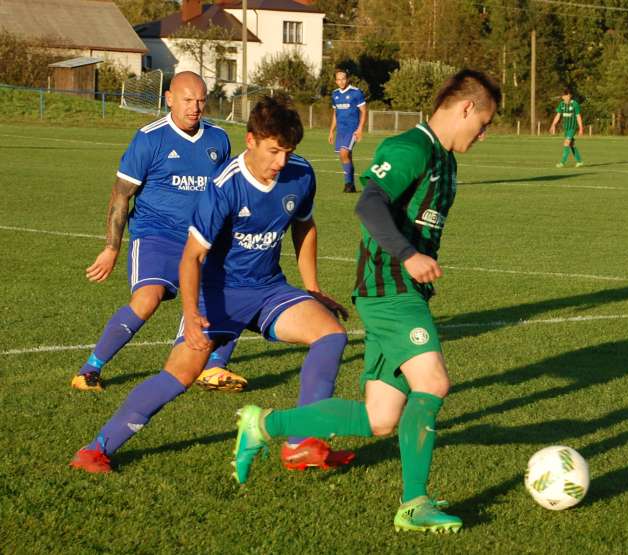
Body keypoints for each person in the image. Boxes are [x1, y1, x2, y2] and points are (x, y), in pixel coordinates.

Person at [232, 69, 501, 534]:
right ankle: (414, 504)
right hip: (390, 288)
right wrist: (409, 254)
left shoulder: (445, 159)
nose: (485, 133)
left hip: (401, 291)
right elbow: (369, 204)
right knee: (433, 384)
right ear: (466, 108)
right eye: (485, 122)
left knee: (380, 419)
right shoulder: (409, 148)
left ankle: (264, 425)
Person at [70, 96, 353, 473]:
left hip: (268, 288)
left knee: (331, 335)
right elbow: (191, 257)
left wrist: (313, 287)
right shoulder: (224, 187)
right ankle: (96, 449)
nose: (281, 162)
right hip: (217, 296)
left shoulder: (300, 174)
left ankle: (301, 440)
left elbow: (304, 224)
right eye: (273, 151)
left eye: (288, 151)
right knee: (178, 377)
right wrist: (190, 314)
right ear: (250, 140)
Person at [72, 71, 246, 392]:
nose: (195, 108)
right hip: (156, 235)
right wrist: (111, 248)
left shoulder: (218, 139)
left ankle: (214, 368)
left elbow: (223, 192)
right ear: (169, 99)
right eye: (187, 100)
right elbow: (121, 194)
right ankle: (89, 370)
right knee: (147, 299)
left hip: (200, 241)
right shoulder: (150, 138)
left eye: (201, 101)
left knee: (231, 295)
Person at [329, 69, 367, 193]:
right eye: (339, 79)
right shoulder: (335, 94)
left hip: (352, 130)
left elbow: (363, 111)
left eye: (343, 78)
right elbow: (335, 113)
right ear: (336, 81)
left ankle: (348, 183)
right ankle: (351, 185)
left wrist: (360, 128)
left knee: (344, 153)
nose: (341, 81)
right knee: (346, 156)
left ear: (347, 79)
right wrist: (331, 131)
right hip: (341, 130)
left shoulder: (356, 93)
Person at [549, 87, 584, 168]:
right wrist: (553, 125)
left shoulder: (575, 104)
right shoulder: (561, 105)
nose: (567, 97)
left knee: (566, 143)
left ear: (570, 96)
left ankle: (562, 162)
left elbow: (578, 116)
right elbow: (558, 115)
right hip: (566, 128)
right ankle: (579, 161)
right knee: (572, 144)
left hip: (572, 128)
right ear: (563, 96)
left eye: (568, 95)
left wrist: (581, 128)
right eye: (565, 96)